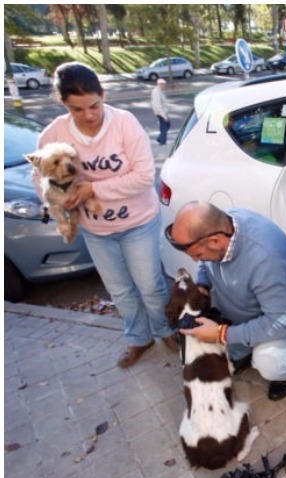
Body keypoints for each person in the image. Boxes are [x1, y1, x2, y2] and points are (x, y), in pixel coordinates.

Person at [32, 62, 179, 368]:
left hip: (138, 222)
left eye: (94, 106)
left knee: (150, 285)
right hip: (96, 230)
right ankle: (139, 338)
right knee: (120, 290)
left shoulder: (124, 123)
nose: (88, 115)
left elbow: (143, 176)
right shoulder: (52, 134)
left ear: (103, 94)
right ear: (63, 104)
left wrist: (90, 190)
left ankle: (166, 330)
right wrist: (56, 203)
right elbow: (40, 178)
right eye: (77, 109)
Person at [165, 201, 286, 401]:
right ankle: (244, 348)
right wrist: (202, 286)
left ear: (215, 241)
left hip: (282, 316)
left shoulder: (267, 258)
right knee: (218, 351)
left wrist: (221, 333)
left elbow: (281, 323)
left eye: (198, 255)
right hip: (244, 312)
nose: (196, 260)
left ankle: (285, 372)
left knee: (270, 363)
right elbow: (204, 263)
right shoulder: (222, 224)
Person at [150, 78, 170, 145]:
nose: (163, 86)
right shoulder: (156, 92)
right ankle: (162, 141)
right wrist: (164, 115)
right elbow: (158, 104)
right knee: (165, 126)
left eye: (164, 84)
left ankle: (160, 139)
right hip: (160, 112)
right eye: (162, 84)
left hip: (162, 112)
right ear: (158, 84)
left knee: (165, 126)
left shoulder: (160, 91)